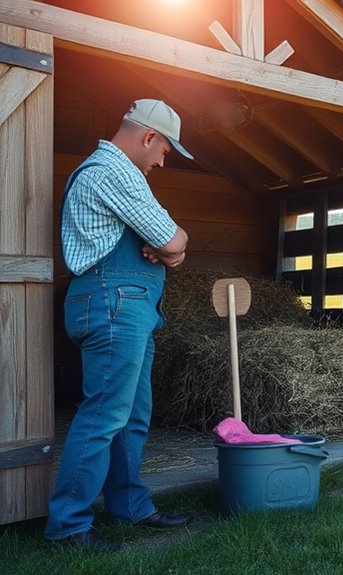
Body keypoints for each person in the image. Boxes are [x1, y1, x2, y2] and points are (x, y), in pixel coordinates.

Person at [45, 99, 194, 552]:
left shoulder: (117, 173)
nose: (162, 161)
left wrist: (171, 250)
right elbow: (172, 239)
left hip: (129, 303)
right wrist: (175, 247)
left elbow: (169, 247)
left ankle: (129, 505)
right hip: (115, 301)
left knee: (131, 414)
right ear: (148, 136)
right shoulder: (114, 171)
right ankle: (69, 524)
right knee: (104, 413)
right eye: (165, 151)